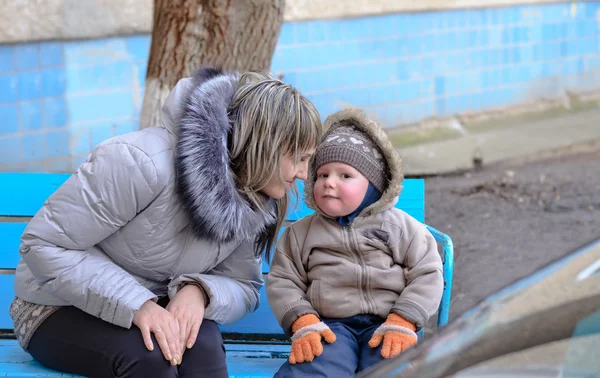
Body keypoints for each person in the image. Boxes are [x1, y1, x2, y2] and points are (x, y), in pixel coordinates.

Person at [9, 67, 322, 378]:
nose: (304, 174)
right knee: (150, 358)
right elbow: (44, 245)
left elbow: (243, 283)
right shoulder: (139, 163)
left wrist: (200, 291)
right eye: (299, 158)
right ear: (264, 146)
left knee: (203, 347)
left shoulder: (253, 192)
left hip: (157, 307)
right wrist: (137, 304)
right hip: (56, 305)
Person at [266, 108, 444, 377]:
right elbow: (283, 279)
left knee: (391, 368)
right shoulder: (301, 233)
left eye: (344, 176)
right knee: (315, 368)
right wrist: (303, 319)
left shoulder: (399, 227)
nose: (329, 183)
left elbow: (427, 271)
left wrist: (404, 318)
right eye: (323, 175)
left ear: (373, 185)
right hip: (329, 327)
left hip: (388, 324)